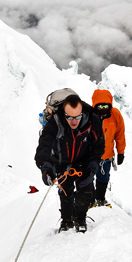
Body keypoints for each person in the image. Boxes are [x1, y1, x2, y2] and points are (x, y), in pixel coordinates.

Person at [35, 91, 103, 233]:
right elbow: (44, 145)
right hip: (61, 161)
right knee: (65, 192)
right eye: (69, 117)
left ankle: (80, 218)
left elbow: (98, 146)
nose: (73, 121)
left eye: (77, 117)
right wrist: (46, 167)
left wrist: (92, 168)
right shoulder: (56, 121)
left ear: (82, 112)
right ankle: (66, 221)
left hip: (83, 161)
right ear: (63, 113)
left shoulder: (92, 120)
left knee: (85, 191)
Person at [91, 89, 126, 207]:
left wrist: (121, 152)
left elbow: (119, 135)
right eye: (99, 105)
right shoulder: (88, 116)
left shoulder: (115, 115)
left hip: (106, 156)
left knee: (103, 178)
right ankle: (89, 201)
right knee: (87, 179)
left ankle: (100, 199)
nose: (102, 108)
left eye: (105, 105)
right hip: (90, 156)